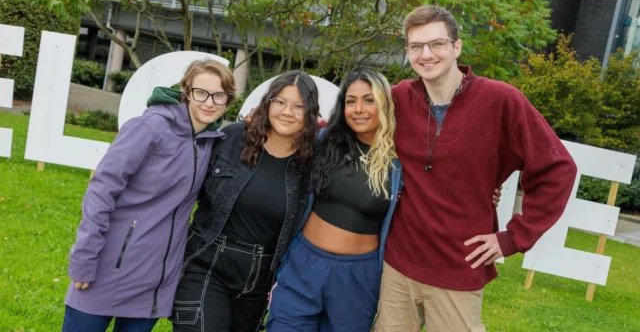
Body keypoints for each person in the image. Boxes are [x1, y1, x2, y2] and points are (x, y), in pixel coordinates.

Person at [373, 5, 578, 332]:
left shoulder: (502, 101)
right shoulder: (397, 99)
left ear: (457, 46)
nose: (426, 54)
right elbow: (347, 129)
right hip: (398, 265)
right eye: (416, 47)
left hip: (460, 267)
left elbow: (558, 169)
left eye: (436, 44)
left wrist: (512, 238)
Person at [265, 70, 503, 332]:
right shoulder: (325, 141)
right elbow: (280, 144)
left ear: (384, 105)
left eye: (369, 100)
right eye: (351, 101)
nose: (359, 109)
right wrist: (253, 123)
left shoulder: (402, 159)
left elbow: (445, 181)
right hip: (304, 264)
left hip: (358, 276)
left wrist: (487, 192)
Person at [63, 59, 236, 332]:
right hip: (109, 268)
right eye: (201, 92)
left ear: (229, 100)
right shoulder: (150, 127)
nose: (209, 102)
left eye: (220, 95)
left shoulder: (210, 143)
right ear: (186, 90)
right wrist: (84, 257)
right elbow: (101, 190)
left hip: (156, 281)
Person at [171, 71, 320, 332]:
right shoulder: (235, 137)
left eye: (299, 106)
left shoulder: (312, 163)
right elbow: (181, 185)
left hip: (261, 280)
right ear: (267, 103)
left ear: (311, 113)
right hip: (208, 264)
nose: (287, 112)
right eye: (280, 102)